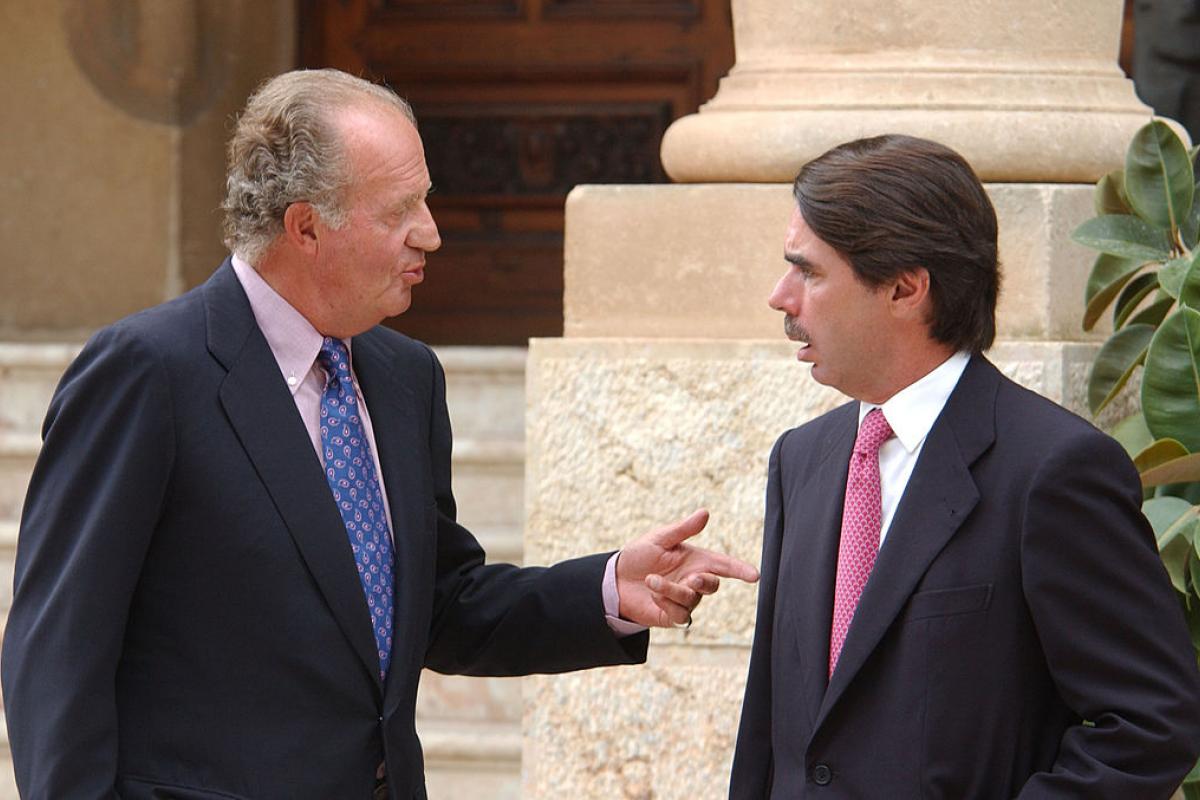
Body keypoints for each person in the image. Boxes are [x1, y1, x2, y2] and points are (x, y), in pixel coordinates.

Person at [1, 68, 758, 800]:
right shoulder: (149, 372)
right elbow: (58, 651)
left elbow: (439, 607)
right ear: (305, 227)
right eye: (400, 210)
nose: (429, 234)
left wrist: (606, 589)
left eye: (425, 202)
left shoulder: (405, 377)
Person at [729, 134, 1200, 798]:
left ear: (904, 288)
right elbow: (771, 734)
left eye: (807, 271)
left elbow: (1152, 724)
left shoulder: (1054, 471)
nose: (781, 297)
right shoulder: (800, 461)